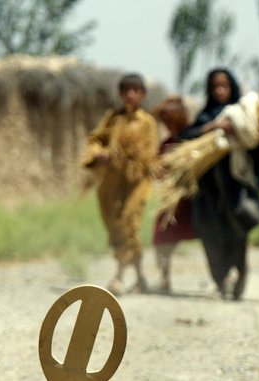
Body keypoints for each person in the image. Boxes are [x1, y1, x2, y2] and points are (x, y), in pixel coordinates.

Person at [181, 68, 259, 300]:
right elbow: (186, 137)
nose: (220, 91)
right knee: (209, 233)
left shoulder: (243, 116)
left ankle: (240, 272)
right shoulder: (206, 116)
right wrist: (211, 128)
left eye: (225, 86)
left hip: (234, 188)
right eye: (215, 87)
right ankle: (220, 280)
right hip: (207, 191)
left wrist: (237, 134)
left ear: (232, 88)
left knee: (237, 232)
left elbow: (258, 145)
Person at [82, 73, 159, 295]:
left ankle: (119, 276)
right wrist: (100, 154)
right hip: (112, 183)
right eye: (126, 90)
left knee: (129, 222)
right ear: (121, 94)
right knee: (115, 225)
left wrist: (128, 156)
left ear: (142, 94)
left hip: (136, 182)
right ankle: (141, 278)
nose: (131, 95)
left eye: (135, 90)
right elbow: (96, 139)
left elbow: (149, 153)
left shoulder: (147, 122)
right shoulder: (113, 118)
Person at [151, 95, 196, 294]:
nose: (169, 125)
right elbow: (159, 170)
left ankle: (223, 278)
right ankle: (164, 279)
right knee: (162, 237)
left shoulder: (195, 140)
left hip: (194, 200)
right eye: (166, 122)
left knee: (212, 237)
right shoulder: (166, 144)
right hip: (173, 202)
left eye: (172, 120)